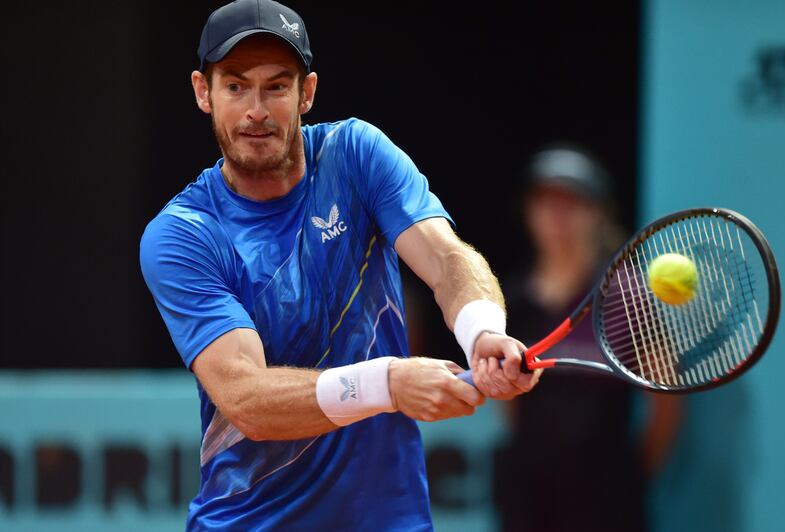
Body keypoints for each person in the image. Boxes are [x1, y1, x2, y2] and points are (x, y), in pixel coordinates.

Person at [139, 1, 541, 529]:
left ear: (306, 93)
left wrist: (482, 330)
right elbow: (247, 399)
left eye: (276, 87)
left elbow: (446, 259)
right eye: (236, 87)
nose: (256, 110)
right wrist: (390, 383)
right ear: (202, 92)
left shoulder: (355, 155)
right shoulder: (183, 234)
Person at [493, 146, 683, 532]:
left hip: (607, 499)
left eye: (572, 202)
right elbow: (508, 403)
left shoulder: (628, 299)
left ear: (597, 213)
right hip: (529, 497)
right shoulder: (510, 300)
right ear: (529, 212)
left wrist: (626, 479)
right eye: (546, 201)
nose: (557, 215)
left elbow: (665, 405)